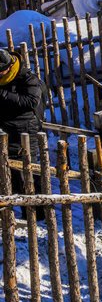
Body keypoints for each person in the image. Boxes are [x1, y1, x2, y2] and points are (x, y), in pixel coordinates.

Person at [0, 49, 45, 195]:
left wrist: (3, 94)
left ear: (9, 66)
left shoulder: (27, 77)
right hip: (6, 128)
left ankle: (37, 215)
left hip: (25, 130)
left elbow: (31, 101)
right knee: (8, 172)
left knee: (27, 172)